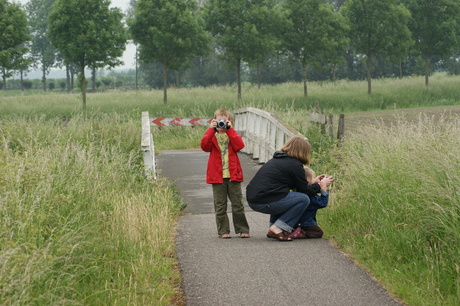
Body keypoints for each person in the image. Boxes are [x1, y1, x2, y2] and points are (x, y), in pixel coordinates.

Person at [246, 135, 326, 241]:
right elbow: (304, 192)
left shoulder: (277, 160)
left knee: (284, 196)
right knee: (303, 199)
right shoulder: (295, 165)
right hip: (264, 201)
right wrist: (320, 186)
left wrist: (313, 182)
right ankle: (278, 227)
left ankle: (273, 227)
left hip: (254, 199)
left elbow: (295, 185)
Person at [200, 108, 250, 239]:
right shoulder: (212, 136)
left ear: (229, 121)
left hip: (233, 174)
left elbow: (240, 146)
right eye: (219, 120)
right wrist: (211, 130)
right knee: (220, 205)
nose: (221, 123)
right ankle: (223, 230)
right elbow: (204, 146)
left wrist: (230, 130)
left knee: (237, 204)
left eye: (224, 120)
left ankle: (242, 229)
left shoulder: (231, 135)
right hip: (217, 176)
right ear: (214, 121)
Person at [289, 167, 333, 239]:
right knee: (318, 232)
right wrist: (324, 190)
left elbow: (310, 188)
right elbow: (322, 203)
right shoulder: (310, 197)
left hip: (294, 222)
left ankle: (294, 230)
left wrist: (315, 183)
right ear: (307, 179)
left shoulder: (295, 192)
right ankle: (301, 233)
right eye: (313, 178)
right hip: (306, 223)